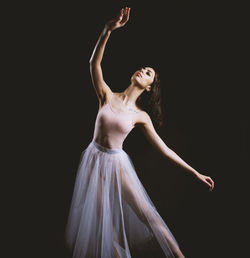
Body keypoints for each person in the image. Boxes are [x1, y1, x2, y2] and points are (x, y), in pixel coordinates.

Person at [65, 7, 214, 258]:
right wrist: (108, 30)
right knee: (106, 233)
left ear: (148, 87)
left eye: (148, 73)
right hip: (93, 162)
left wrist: (195, 173)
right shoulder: (106, 96)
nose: (142, 71)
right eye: (143, 68)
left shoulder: (140, 117)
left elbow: (165, 150)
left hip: (117, 164)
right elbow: (94, 63)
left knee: (147, 215)